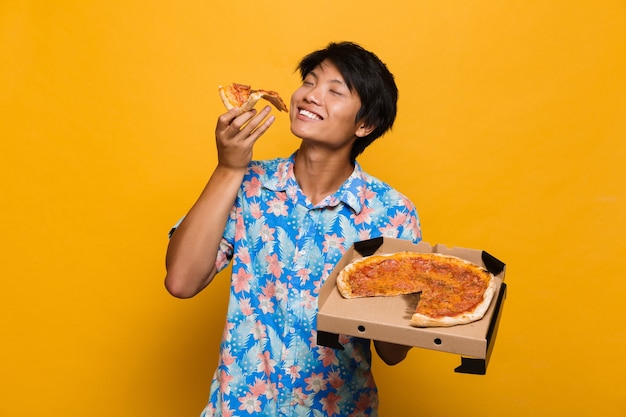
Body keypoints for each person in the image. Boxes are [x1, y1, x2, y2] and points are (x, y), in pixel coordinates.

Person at [165, 41, 422, 417]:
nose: (311, 96)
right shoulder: (247, 182)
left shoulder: (391, 212)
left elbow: (394, 353)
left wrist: (398, 292)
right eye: (310, 82)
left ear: (365, 124)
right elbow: (181, 282)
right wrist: (229, 169)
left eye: (335, 91)